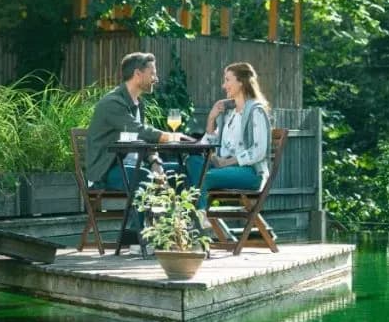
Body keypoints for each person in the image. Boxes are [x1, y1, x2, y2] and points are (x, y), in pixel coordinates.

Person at [85, 51, 191, 200]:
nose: (156, 78)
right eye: (152, 73)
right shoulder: (112, 103)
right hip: (107, 172)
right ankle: (140, 224)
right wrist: (169, 136)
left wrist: (154, 160)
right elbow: (138, 130)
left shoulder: (138, 104)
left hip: (134, 166)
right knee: (145, 177)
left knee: (180, 172)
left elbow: (142, 140)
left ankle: (179, 221)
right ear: (138, 74)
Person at [186, 62, 271, 210]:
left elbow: (259, 151)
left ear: (241, 83)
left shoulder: (256, 112)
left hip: (250, 173)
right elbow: (207, 144)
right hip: (224, 169)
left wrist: (227, 162)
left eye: (227, 80)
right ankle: (196, 218)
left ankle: (200, 216)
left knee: (202, 178)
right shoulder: (230, 114)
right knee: (190, 162)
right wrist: (211, 118)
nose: (223, 85)